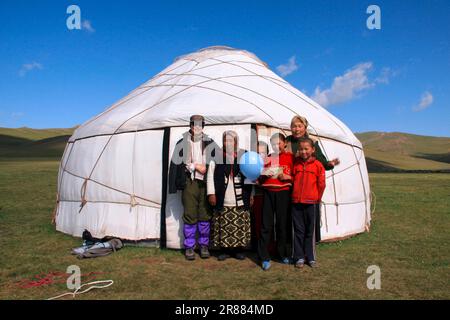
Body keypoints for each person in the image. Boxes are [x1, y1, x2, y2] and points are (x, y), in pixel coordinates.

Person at [168, 115, 219, 261]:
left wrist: (206, 167)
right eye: (194, 124)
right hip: (189, 181)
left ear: (203, 126)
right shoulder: (182, 143)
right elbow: (174, 165)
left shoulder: (210, 143)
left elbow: (219, 161)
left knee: (205, 214)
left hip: (206, 182)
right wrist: (174, 185)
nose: (197, 127)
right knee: (190, 214)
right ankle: (189, 247)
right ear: (190, 126)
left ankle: (204, 245)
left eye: (199, 125)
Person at [286, 115, 340, 243]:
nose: (296, 129)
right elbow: (281, 157)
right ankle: (292, 243)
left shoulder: (312, 142)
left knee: (309, 217)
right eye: (294, 126)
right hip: (290, 182)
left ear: (305, 127)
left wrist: (329, 164)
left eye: (299, 126)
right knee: (292, 217)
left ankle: (310, 244)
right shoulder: (287, 141)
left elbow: (320, 160)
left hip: (308, 186)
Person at [207, 130, 254, 261]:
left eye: (230, 140)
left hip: (241, 195)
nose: (227, 143)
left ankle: (239, 250)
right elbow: (210, 175)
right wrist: (211, 193)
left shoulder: (243, 156)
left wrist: (252, 194)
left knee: (239, 223)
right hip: (223, 195)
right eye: (225, 140)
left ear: (235, 142)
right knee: (223, 223)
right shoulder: (217, 155)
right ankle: (224, 250)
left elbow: (250, 175)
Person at [257, 133, 293, 270]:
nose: (276, 146)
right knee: (266, 226)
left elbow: (296, 175)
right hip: (268, 193)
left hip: (284, 193)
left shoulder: (291, 158)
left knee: (282, 225)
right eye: (273, 144)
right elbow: (259, 179)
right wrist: (263, 175)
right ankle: (264, 257)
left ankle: (282, 254)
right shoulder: (268, 158)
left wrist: (288, 176)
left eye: (278, 143)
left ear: (284, 143)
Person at [291, 137, 326, 268]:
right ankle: (299, 257)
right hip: (296, 202)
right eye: (301, 149)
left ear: (313, 150)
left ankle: (310, 257)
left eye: (306, 149)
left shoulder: (318, 165)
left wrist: (317, 198)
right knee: (298, 230)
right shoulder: (296, 164)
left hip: (312, 202)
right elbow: (293, 180)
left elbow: (321, 184)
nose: (304, 151)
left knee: (310, 231)